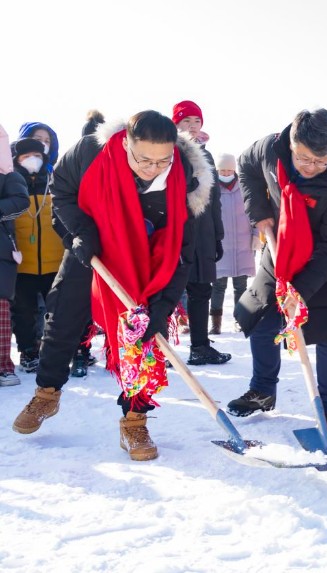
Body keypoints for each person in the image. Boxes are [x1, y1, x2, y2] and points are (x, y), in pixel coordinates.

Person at [12, 111, 212, 461]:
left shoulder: (186, 177)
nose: (153, 168)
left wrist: (163, 306)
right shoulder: (90, 152)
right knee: (62, 317)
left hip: (147, 260)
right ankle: (46, 393)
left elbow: (182, 251)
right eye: (144, 160)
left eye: (162, 161)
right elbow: (62, 192)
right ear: (126, 145)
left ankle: (134, 420)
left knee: (142, 336)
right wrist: (79, 232)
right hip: (92, 246)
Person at [228, 109, 327, 427]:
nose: (310, 167)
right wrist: (259, 212)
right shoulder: (270, 150)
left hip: (326, 259)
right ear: (291, 145)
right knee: (261, 315)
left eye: (320, 162)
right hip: (280, 247)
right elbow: (246, 166)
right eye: (303, 159)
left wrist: (299, 292)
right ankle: (262, 390)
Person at [172, 100, 229, 365]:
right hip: (177, 231)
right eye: (186, 121)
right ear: (176, 124)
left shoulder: (207, 155)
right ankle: (158, 350)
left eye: (197, 121)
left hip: (203, 233)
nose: (192, 126)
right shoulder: (169, 151)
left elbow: (215, 199)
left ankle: (200, 346)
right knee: (167, 292)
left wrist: (218, 236)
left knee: (201, 290)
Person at [10, 138, 62, 373]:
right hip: (22, 265)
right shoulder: (10, 185)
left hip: (55, 263)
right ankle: (28, 351)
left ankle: (57, 350)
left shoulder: (55, 183)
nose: (32, 160)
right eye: (26, 156)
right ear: (17, 160)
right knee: (24, 313)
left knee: (58, 311)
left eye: (38, 156)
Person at [210, 153, 257, 334]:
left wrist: (256, 235)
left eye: (229, 170)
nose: (226, 173)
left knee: (241, 286)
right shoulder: (212, 189)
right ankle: (216, 323)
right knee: (218, 286)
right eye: (222, 170)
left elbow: (254, 213)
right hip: (221, 246)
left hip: (243, 244)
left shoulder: (244, 187)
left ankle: (239, 320)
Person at [0, 156, 30, 386]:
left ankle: (3, 367)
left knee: (1, 311)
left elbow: (21, 202)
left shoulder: (8, 176)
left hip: (1, 253)